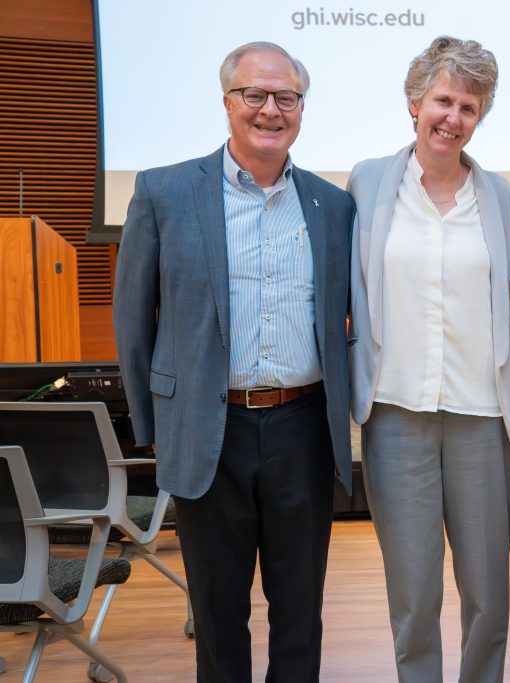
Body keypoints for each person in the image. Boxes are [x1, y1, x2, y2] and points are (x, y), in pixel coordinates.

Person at [113, 42, 354, 683]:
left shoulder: (335, 207)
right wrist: (154, 429)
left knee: (299, 610)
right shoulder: (163, 192)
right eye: (255, 94)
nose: (270, 110)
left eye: (287, 97)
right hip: (206, 431)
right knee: (218, 610)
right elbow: (132, 322)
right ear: (227, 102)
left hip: (302, 429)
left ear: (302, 107)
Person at [347, 36, 510, 683]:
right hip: (395, 417)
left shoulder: (501, 199)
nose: (453, 117)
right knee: (414, 595)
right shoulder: (369, 181)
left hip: (483, 418)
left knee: (488, 594)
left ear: (481, 117)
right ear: (415, 101)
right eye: (443, 100)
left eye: (469, 106)